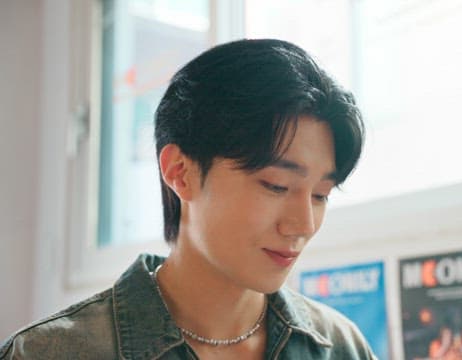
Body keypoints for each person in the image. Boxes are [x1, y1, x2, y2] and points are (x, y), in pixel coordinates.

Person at [0, 39, 375, 359]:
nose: (303, 225)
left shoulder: (341, 346)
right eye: (276, 186)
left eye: (321, 195)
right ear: (180, 171)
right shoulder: (52, 351)